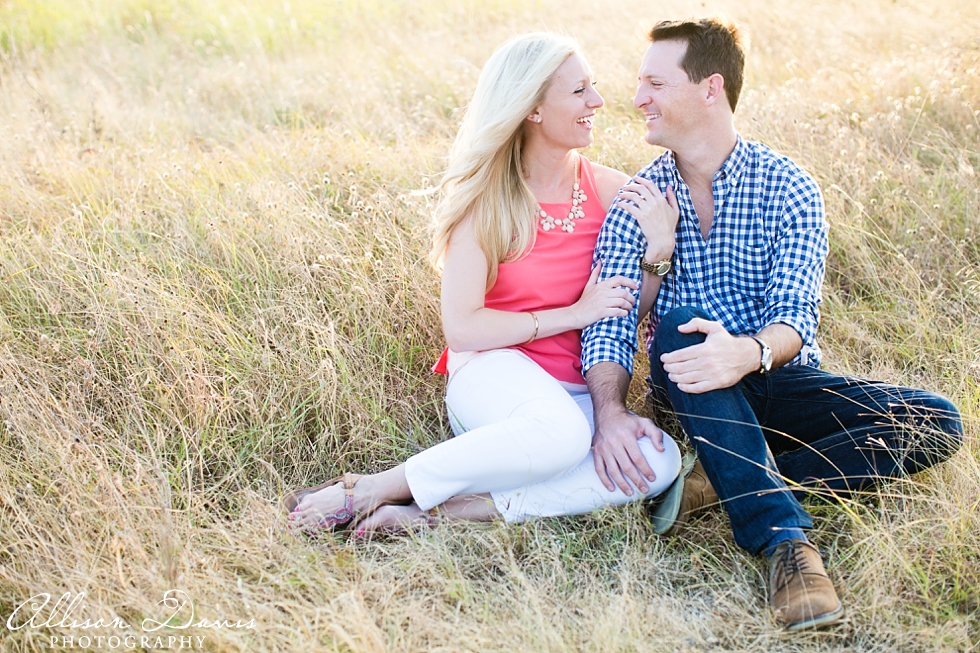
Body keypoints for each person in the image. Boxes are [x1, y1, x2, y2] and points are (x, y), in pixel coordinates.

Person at [581, 19, 963, 632]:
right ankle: (787, 546)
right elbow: (609, 320)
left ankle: (724, 480)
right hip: (693, 387)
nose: (637, 99)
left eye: (654, 82)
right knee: (682, 324)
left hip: (774, 374)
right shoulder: (642, 199)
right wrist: (610, 412)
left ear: (710, 88)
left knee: (937, 420)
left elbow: (795, 318)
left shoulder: (788, 187)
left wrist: (749, 353)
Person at [286, 33, 682, 535]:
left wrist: (659, 254)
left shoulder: (611, 191)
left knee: (656, 460)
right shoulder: (485, 201)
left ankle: (430, 515)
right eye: (580, 91)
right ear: (533, 108)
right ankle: (375, 486)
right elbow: (464, 330)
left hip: (577, 390)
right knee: (559, 437)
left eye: (594, 87)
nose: (598, 102)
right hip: (494, 375)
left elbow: (623, 309)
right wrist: (572, 315)